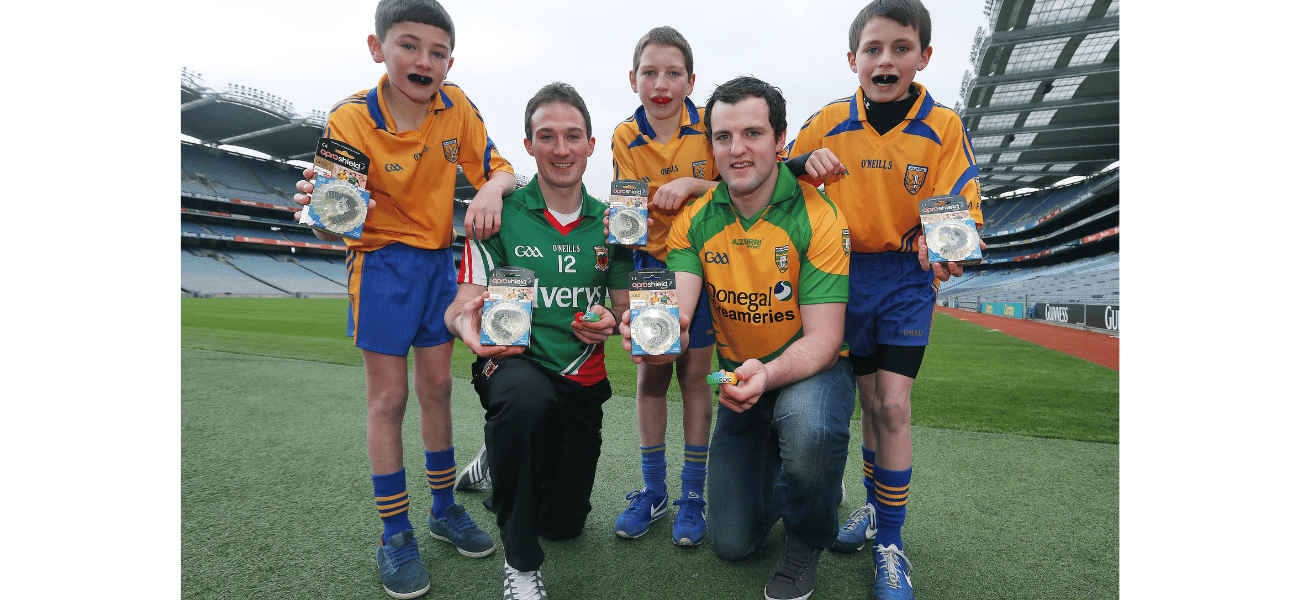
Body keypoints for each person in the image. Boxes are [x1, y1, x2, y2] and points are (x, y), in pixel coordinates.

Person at [290, 1, 517, 597]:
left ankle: (443, 510)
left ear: (449, 60)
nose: (424, 61)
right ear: (377, 48)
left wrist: (492, 185)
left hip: (440, 263)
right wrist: (318, 215)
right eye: (409, 45)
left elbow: (500, 168)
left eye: (438, 52)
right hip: (382, 265)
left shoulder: (457, 105)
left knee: (438, 389)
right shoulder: (349, 120)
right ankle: (396, 532)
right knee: (389, 399)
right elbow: (333, 218)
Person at [782, 2, 984, 598]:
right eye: (873, 49)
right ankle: (872, 510)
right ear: (853, 60)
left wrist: (946, 241)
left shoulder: (943, 127)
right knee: (867, 404)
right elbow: (773, 179)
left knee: (893, 407)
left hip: (902, 278)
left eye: (901, 48)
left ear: (924, 57)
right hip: (838, 278)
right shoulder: (826, 120)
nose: (886, 60)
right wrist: (800, 161)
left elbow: (966, 210)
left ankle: (890, 541)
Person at [626, 75, 855, 600]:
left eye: (752, 133)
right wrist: (651, 329)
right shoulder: (694, 221)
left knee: (811, 429)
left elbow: (825, 340)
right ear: (711, 146)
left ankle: (805, 539)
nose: (737, 149)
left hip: (810, 372)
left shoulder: (819, 217)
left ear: (780, 140)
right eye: (723, 137)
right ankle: (803, 479)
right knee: (732, 542)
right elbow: (680, 315)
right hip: (735, 380)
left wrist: (769, 374)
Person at [446, 82, 634, 600]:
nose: (560, 148)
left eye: (573, 136)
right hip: (512, 364)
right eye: (546, 136)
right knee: (524, 401)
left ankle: (496, 457)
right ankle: (521, 567)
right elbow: (462, 305)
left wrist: (611, 322)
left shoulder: (614, 224)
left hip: (580, 376)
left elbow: (622, 310)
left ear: (591, 145)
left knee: (565, 523)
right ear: (528, 145)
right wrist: (467, 329)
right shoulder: (499, 213)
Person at [608, 25, 719, 547]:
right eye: (650, 72)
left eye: (673, 73)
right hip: (651, 267)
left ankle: (692, 496)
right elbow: (629, 206)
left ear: (691, 80)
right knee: (652, 377)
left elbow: (740, 183)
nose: (661, 83)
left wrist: (694, 184)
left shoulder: (710, 126)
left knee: (695, 379)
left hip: (704, 265)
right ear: (633, 79)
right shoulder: (623, 136)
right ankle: (653, 491)